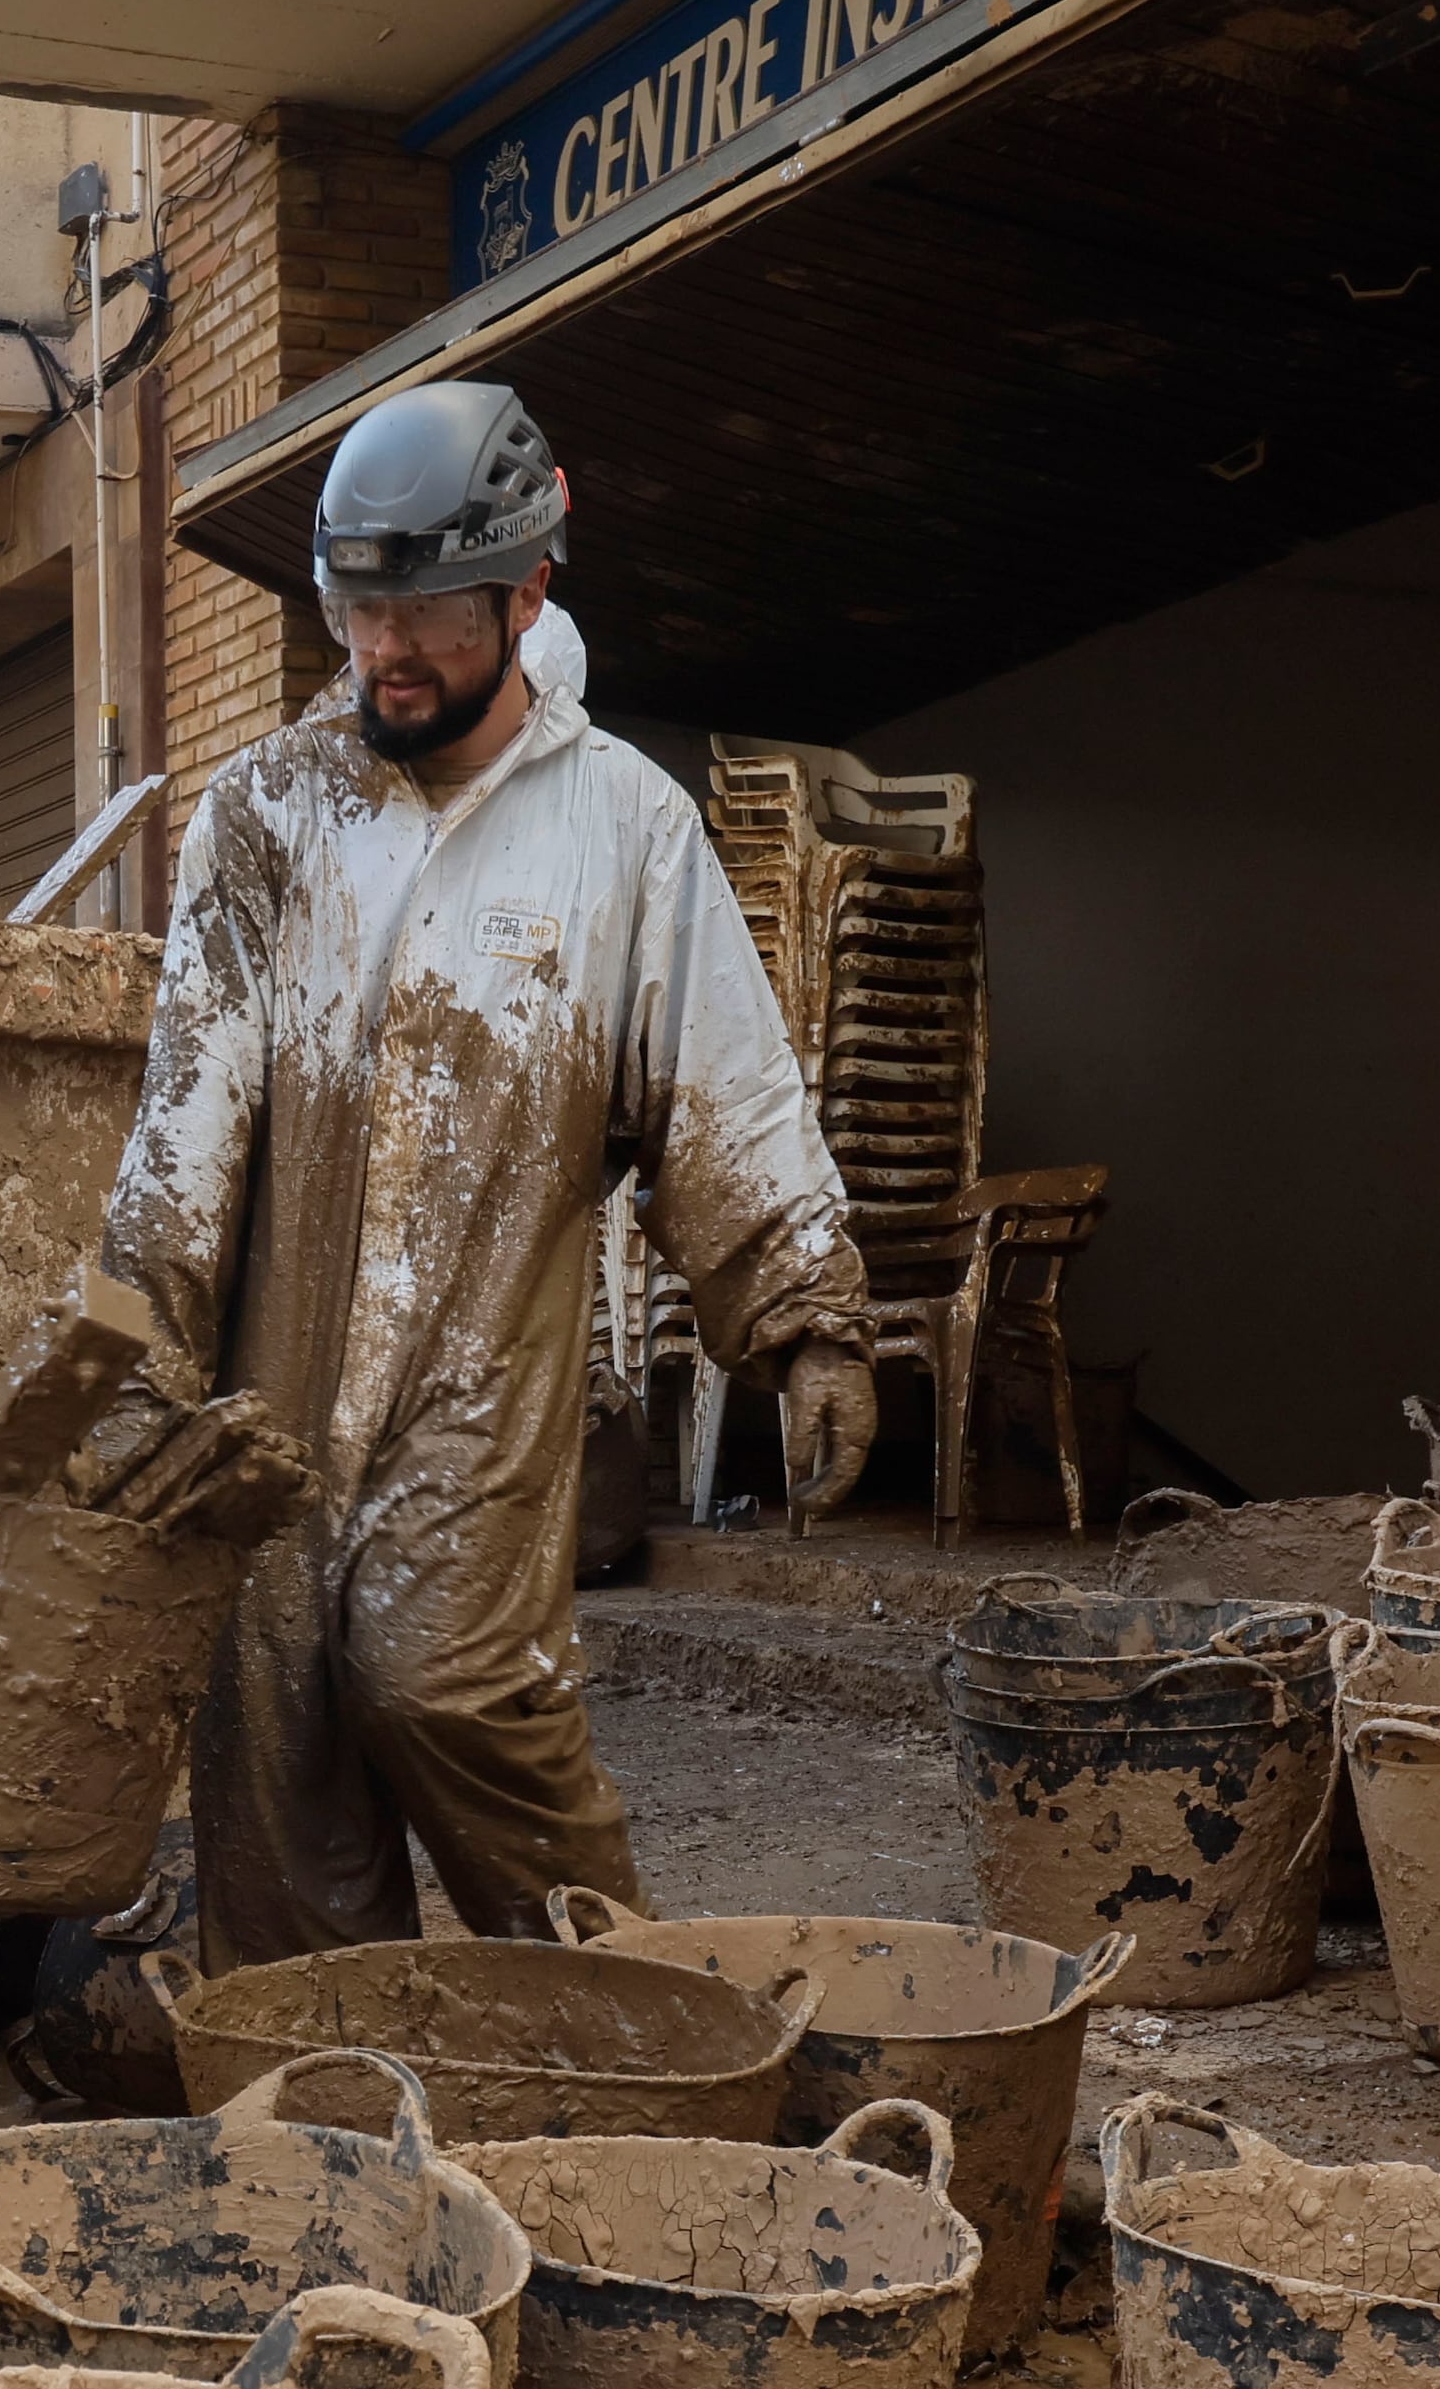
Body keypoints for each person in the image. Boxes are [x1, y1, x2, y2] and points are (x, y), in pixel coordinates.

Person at [96, 381, 876, 1966]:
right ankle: (331, 2139)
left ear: (527, 592)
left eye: (429, 616)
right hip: (268, 1386)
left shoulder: (623, 834)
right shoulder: (266, 817)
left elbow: (722, 1078)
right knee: (278, 1755)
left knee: (436, 1672)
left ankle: (626, 2041)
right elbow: (188, 1113)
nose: (385, 651)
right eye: (355, 608)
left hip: (481, 1375)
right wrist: (135, 1346)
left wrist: (808, 1318)